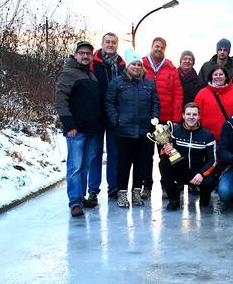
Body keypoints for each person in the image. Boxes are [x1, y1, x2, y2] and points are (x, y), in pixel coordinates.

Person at [106, 49, 159, 208]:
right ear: (128, 66)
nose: (136, 67)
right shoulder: (117, 82)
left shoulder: (149, 84)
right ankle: (122, 193)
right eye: (133, 64)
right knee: (123, 163)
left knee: (141, 163)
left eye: (139, 64)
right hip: (124, 131)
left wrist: (154, 118)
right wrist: (116, 120)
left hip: (145, 130)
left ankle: (136, 192)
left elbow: (156, 103)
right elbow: (109, 103)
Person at [55, 40, 101, 216]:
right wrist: (69, 124)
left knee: (85, 166)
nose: (85, 55)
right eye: (81, 53)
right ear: (75, 55)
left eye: (88, 53)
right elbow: (60, 99)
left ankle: (81, 198)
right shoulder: (69, 73)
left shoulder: (91, 75)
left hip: (92, 129)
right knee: (75, 166)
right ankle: (74, 202)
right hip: (76, 130)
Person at [142, 37, 183, 199]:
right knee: (145, 156)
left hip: (165, 120)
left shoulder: (171, 68)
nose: (159, 49)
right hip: (146, 118)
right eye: (156, 46)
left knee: (166, 155)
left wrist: (175, 119)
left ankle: (166, 186)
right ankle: (146, 187)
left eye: (162, 47)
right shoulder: (141, 64)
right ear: (152, 47)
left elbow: (178, 93)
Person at [159, 102, 218, 210]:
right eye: (188, 114)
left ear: (199, 116)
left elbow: (212, 161)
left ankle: (205, 196)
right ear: (183, 115)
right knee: (164, 163)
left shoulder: (207, 135)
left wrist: (201, 174)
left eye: (194, 115)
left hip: (197, 171)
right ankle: (174, 199)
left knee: (210, 181)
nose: (191, 117)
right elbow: (164, 154)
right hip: (179, 169)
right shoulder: (174, 132)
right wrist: (165, 150)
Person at [89, 32, 125, 203]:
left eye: (113, 42)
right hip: (96, 115)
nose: (110, 45)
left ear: (117, 45)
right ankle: (93, 190)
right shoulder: (92, 64)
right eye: (108, 42)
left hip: (115, 116)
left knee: (115, 154)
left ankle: (114, 188)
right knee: (95, 154)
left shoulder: (122, 65)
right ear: (102, 43)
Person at [194, 65, 233, 141]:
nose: (218, 77)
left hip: (230, 138)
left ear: (225, 76)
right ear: (211, 76)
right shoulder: (202, 93)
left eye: (221, 74)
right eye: (215, 74)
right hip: (207, 138)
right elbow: (195, 114)